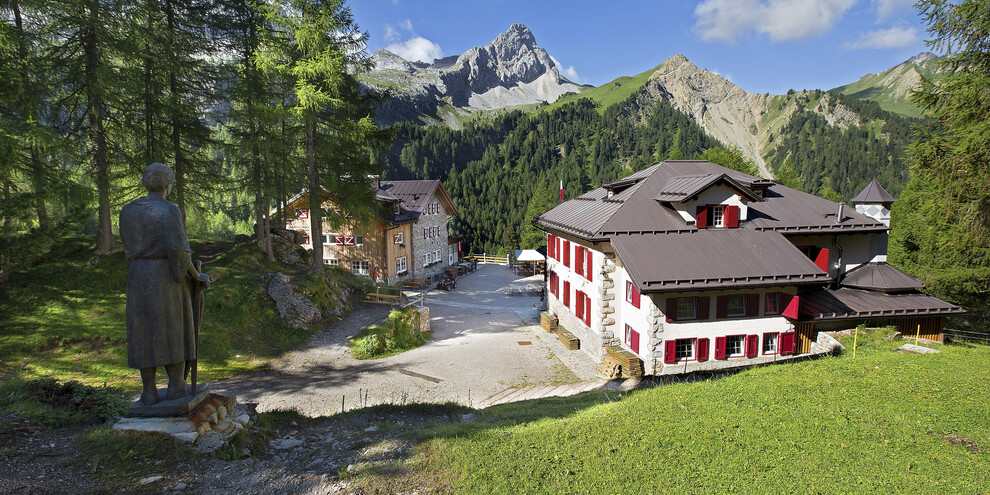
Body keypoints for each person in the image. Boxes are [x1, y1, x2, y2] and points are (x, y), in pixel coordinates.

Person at [119, 163, 208, 405]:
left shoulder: (127, 211)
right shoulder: (169, 211)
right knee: (172, 328)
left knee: (142, 330)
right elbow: (179, 251)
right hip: (165, 276)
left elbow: (127, 244)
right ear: (168, 186)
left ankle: (148, 391)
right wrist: (196, 276)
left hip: (137, 276)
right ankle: (177, 386)